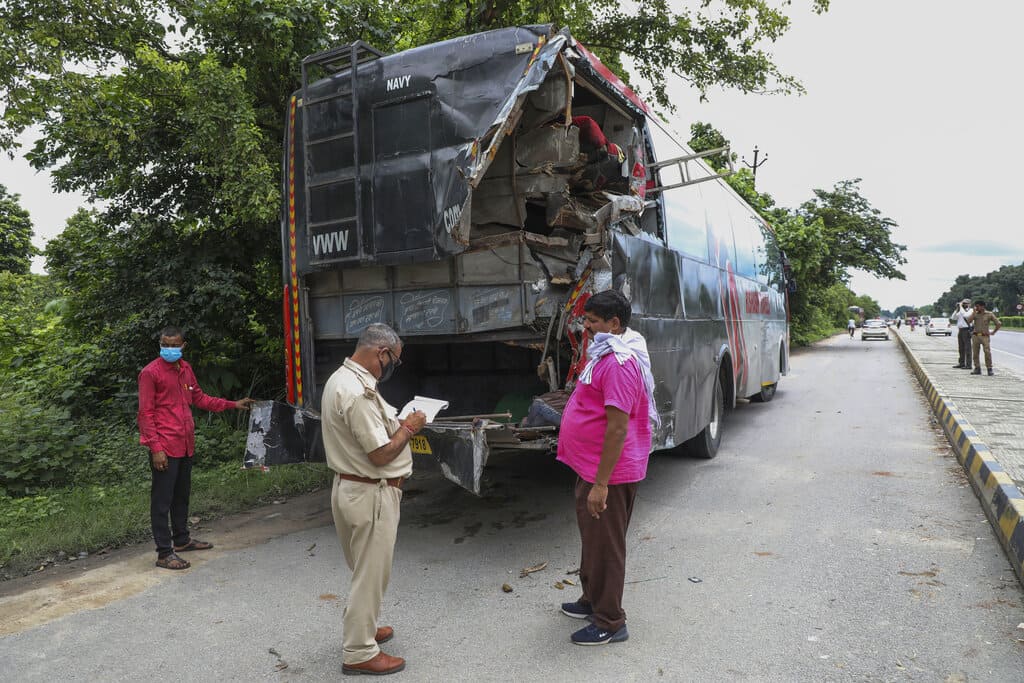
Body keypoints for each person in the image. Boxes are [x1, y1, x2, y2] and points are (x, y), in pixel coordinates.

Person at [320, 323, 427, 676]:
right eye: (392, 360)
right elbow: (380, 453)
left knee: (365, 569)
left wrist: (398, 423)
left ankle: (364, 626)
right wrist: (409, 428)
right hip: (370, 492)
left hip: (351, 488)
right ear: (381, 353)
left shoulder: (342, 379)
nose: (391, 367)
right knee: (370, 573)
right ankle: (360, 651)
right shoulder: (358, 392)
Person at [555, 289, 654, 646]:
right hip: (591, 466)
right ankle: (591, 600)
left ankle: (610, 621)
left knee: (606, 546)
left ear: (614, 323)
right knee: (593, 540)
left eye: (593, 322)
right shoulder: (603, 351)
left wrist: (601, 484)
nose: (587, 327)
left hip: (608, 473)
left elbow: (617, 427)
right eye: (586, 320)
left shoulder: (620, 363)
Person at [138, 326, 255, 570]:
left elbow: (199, 398)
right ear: (160, 344)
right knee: (162, 501)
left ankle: (181, 540)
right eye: (165, 344)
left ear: (183, 346)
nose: (169, 349)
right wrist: (155, 448)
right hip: (165, 446)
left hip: (185, 444)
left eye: (174, 345)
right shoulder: (150, 373)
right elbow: (145, 413)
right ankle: (164, 553)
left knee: (181, 496)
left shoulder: (185, 369)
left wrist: (232, 404)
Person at [572, 115, 627, 192]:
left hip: (610, 156)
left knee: (591, 182)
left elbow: (602, 154)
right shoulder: (587, 127)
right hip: (611, 154)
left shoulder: (588, 126)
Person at [969, 300, 1002, 376]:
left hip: (985, 336)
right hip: (975, 335)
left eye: (978, 306)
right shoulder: (975, 314)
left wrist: (993, 332)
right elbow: (969, 321)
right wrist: (973, 313)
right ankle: (977, 368)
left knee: (987, 352)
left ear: (982, 306)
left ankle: (989, 369)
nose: (976, 308)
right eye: (975, 306)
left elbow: (998, 324)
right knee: (975, 353)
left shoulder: (989, 314)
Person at [952, 299, 974, 369]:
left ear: (969, 304)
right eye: (963, 303)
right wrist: (957, 309)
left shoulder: (971, 310)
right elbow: (953, 317)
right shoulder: (960, 310)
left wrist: (961, 307)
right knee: (961, 348)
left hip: (966, 330)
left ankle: (968, 364)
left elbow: (965, 315)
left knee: (968, 348)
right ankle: (961, 363)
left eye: (965, 303)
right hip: (960, 330)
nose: (964, 304)